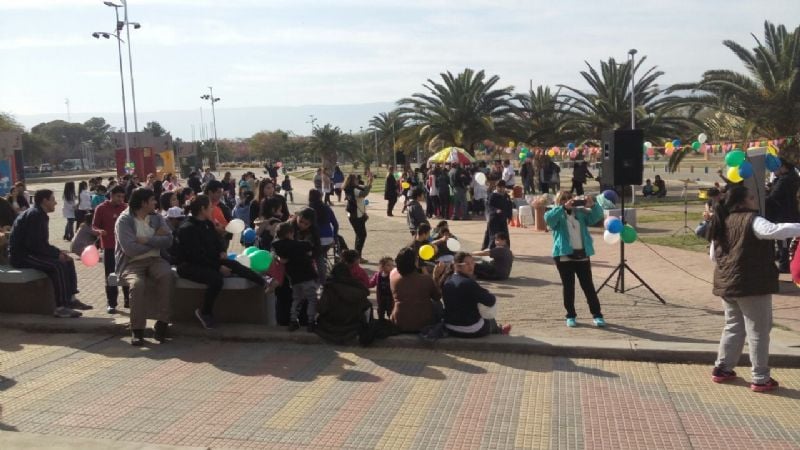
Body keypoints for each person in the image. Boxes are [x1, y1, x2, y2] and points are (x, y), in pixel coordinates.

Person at [708, 185, 800, 392]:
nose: (755, 200)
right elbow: (775, 231)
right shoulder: (753, 220)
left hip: (727, 285)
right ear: (742, 202)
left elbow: (713, 256)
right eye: (751, 197)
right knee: (758, 330)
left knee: (733, 326)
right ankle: (760, 377)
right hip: (751, 284)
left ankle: (722, 368)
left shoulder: (721, 221)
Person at [175, 195, 268, 329]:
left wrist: (221, 251)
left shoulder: (207, 223)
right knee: (216, 279)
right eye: (210, 206)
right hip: (189, 265)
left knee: (235, 265)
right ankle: (204, 312)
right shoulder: (187, 228)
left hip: (209, 260)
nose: (212, 209)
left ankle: (263, 282)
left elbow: (215, 240)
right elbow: (195, 256)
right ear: (202, 209)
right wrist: (218, 267)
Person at [8, 189, 87, 318]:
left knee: (67, 260)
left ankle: (71, 299)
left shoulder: (39, 214)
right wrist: (56, 254)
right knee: (57, 266)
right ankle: (60, 307)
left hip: (31, 252)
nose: (55, 203)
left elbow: (39, 244)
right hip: (21, 256)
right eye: (53, 200)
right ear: (45, 201)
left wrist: (58, 252)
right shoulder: (35, 215)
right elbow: (34, 244)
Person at [115, 188, 174, 345]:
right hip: (131, 263)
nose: (156, 203)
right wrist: (155, 239)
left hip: (155, 259)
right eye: (153, 200)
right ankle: (137, 330)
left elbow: (169, 239)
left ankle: (162, 323)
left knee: (167, 275)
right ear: (143, 203)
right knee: (137, 285)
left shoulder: (156, 217)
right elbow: (130, 249)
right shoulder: (124, 220)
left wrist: (146, 239)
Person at [544, 190, 605, 328]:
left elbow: (596, 217)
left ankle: (597, 315)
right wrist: (563, 208)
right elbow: (548, 220)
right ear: (558, 202)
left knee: (588, 286)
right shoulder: (555, 213)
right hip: (563, 255)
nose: (567, 200)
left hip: (582, 254)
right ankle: (570, 315)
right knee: (569, 287)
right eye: (563, 199)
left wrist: (593, 205)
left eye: (569, 198)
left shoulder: (581, 213)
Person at [442, 252, 512, 337]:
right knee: (487, 317)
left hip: (450, 327)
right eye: (467, 264)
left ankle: (498, 329)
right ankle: (499, 330)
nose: (471, 266)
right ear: (457, 266)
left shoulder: (447, 280)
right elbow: (490, 301)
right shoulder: (468, 283)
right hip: (468, 329)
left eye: (472, 263)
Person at [272, 221, 319, 332]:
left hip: (294, 279)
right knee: (312, 299)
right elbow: (309, 247)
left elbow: (278, 255)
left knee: (296, 299)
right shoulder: (300, 245)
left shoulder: (277, 246)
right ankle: (311, 322)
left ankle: (293, 321)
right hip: (307, 276)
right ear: (289, 233)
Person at [314, 262, 373, 345]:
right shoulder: (357, 287)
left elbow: (321, 308)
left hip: (330, 325)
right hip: (353, 325)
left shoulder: (329, 287)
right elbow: (366, 306)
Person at [93, 185, 130, 313]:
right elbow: (94, 226)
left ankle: (128, 300)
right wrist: (99, 231)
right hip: (109, 248)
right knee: (112, 276)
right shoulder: (101, 208)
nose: (121, 199)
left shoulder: (126, 208)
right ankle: (112, 303)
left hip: (125, 247)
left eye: (122, 196)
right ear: (111, 195)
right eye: (118, 196)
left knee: (126, 273)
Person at [388, 246, 443, 333]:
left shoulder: (393, 276)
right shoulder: (425, 280)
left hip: (399, 322)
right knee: (438, 304)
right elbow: (437, 296)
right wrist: (435, 277)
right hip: (422, 324)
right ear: (414, 263)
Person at [766, 158, 800, 273]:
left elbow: (774, 197)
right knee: (787, 241)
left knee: (784, 241)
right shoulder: (793, 176)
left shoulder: (785, 180)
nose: (773, 171)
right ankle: (787, 262)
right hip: (791, 213)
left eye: (775, 168)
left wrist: (762, 199)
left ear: (783, 167)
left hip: (784, 215)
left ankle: (784, 265)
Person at [309, 189, 339, 284]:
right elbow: (335, 224)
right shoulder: (327, 208)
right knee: (322, 255)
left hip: (316, 239)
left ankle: (322, 281)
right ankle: (322, 276)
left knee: (318, 258)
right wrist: (334, 237)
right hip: (329, 239)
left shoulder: (309, 209)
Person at [343, 172, 373, 260]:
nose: (357, 180)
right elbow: (364, 193)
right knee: (362, 235)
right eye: (356, 179)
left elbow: (365, 188)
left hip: (355, 215)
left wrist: (369, 181)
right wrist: (370, 183)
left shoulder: (351, 188)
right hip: (356, 216)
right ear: (352, 180)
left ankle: (356, 256)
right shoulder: (353, 189)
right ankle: (357, 257)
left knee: (359, 235)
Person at [482, 180, 513, 250]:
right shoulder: (492, 195)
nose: (501, 189)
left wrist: (509, 216)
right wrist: (496, 210)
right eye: (499, 187)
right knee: (493, 236)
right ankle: (491, 250)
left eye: (503, 187)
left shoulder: (506, 196)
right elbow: (488, 206)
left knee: (505, 235)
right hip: (494, 219)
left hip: (503, 219)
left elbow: (509, 206)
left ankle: (506, 249)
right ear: (496, 187)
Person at [369, 256, 395, 321]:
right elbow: (371, 283)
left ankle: (391, 324)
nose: (392, 267)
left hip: (390, 298)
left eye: (392, 265)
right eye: (388, 265)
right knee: (380, 311)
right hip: (381, 297)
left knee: (390, 312)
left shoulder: (393, 275)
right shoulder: (378, 275)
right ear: (382, 266)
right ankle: (381, 323)